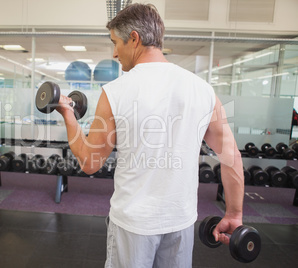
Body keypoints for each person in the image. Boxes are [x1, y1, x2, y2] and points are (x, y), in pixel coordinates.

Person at [56, 3, 244, 267]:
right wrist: (234, 213)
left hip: (133, 224)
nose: (114, 53)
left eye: (115, 43)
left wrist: (68, 115)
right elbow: (231, 155)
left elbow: (90, 162)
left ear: (134, 39)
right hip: (180, 221)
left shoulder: (115, 92)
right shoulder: (202, 90)